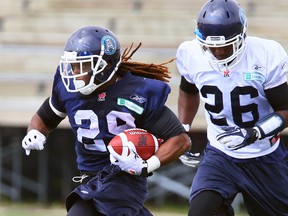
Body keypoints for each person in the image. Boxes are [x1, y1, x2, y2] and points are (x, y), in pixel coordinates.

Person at [21, 25, 191, 216]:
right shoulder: (68, 89)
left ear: (105, 65)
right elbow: (44, 118)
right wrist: (34, 133)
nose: (75, 73)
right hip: (90, 179)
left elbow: (181, 140)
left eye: (83, 65)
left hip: (125, 179)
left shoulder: (137, 93)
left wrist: (146, 166)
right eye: (73, 65)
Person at [176, 0, 288, 215]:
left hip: (264, 156)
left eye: (224, 46)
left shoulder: (265, 54)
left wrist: (255, 133)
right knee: (200, 212)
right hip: (220, 154)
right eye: (212, 46)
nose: (217, 53)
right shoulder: (191, 53)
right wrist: (184, 129)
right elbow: (188, 90)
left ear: (242, 36)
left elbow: (285, 109)